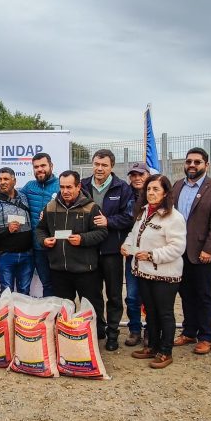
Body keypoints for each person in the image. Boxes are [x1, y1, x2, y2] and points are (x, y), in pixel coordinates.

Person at [121, 174, 186, 369]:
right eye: (149, 189)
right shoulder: (143, 212)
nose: (151, 193)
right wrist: (126, 245)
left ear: (166, 192)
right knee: (150, 311)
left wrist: (151, 255)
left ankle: (165, 351)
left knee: (164, 313)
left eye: (156, 189)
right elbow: (134, 234)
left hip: (165, 275)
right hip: (143, 272)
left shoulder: (174, 217)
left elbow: (177, 247)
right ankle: (153, 346)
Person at [170, 147, 211, 355]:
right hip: (180, 251)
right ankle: (188, 331)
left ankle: (205, 336)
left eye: (197, 162)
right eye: (189, 162)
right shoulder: (177, 186)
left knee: (203, 294)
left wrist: (209, 249)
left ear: (206, 165)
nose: (192, 165)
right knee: (185, 293)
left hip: (204, 253)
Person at [81, 149, 135, 351]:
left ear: (111, 166)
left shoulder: (122, 188)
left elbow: (129, 217)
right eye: (97, 164)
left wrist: (108, 221)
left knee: (113, 294)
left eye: (104, 165)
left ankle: (113, 333)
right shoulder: (83, 185)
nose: (99, 168)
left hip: (112, 250)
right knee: (92, 294)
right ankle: (98, 329)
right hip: (89, 250)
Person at [35, 171, 107, 317]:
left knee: (92, 309)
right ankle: (65, 337)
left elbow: (102, 233)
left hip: (85, 270)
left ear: (78, 186)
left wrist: (82, 239)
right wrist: (43, 240)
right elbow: (40, 229)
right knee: (63, 311)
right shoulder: (50, 206)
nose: (65, 191)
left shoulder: (91, 207)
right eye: (62, 187)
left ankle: (97, 335)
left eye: (69, 187)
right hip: (59, 270)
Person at [0, 167, 33, 294]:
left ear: (14, 181)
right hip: (6, 255)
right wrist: (7, 230)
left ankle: (21, 315)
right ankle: (7, 314)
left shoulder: (24, 196)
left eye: (6, 179)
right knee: (6, 292)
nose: (2, 182)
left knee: (25, 291)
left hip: (27, 255)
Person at [20, 152, 60, 296]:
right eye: (36, 167)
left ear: (51, 166)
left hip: (59, 246)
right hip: (37, 247)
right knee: (47, 284)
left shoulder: (61, 185)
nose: (39, 169)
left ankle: (62, 315)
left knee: (61, 284)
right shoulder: (29, 186)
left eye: (43, 165)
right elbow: (12, 196)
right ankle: (49, 315)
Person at [124, 161, 149, 346]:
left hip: (152, 255)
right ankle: (134, 329)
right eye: (133, 175)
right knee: (132, 295)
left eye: (141, 174)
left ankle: (150, 330)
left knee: (150, 296)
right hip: (132, 254)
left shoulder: (157, 194)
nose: (137, 178)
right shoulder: (125, 195)